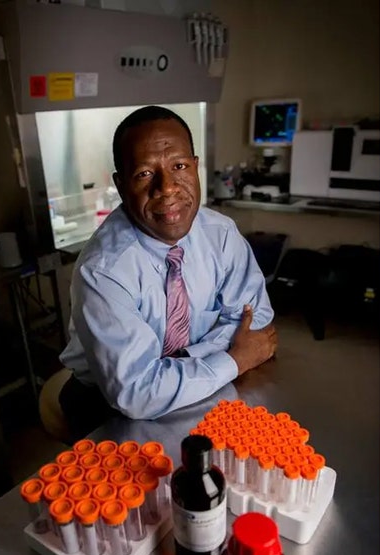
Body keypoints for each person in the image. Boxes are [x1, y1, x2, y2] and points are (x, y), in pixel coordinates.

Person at [58, 105, 277, 436]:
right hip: (105, 403)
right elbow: (135, 392)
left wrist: (188, 359)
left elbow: (256, 321)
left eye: (179, 166)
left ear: (196, 168)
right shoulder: (103, 270)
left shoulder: (220, 234)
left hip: (203, 385)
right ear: (120, 185)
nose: (168, 188)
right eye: (145, 174)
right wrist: (234, 358)